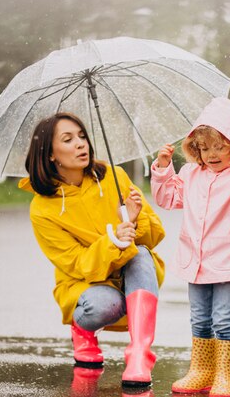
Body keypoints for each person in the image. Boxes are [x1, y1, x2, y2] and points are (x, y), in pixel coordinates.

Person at [18, 112, 166, 389]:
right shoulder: (42, 209)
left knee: (143, 254)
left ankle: (139, 356)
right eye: (68, 139)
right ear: (50, 154)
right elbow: (77, 264)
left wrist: (133, 221)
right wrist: (115, 242)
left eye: (82, 136)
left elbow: (155, 235)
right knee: (106, 304)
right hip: (86, 285)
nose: (80, 144)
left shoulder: (115, 176)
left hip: (131, 275)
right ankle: (82, 329)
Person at [150, 97, 230, 397]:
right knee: (200, 318)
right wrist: (163, 168)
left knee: (223, 318)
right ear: (195, 149)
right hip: (196, 262)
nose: (211, 154)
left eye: (219, 146)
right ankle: (201, 370)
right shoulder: (191, 175)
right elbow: (168, 197)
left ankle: (224, 375)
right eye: (204, 148)